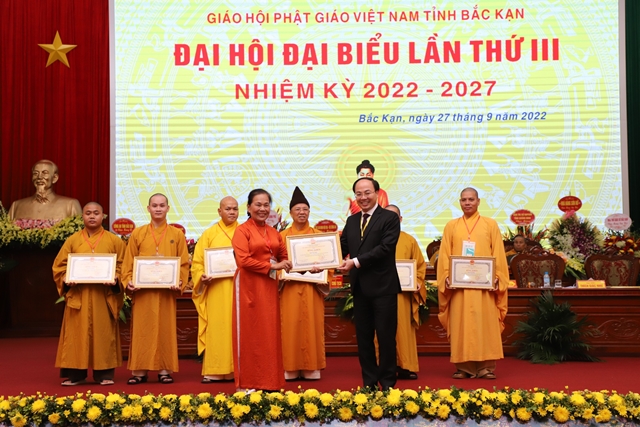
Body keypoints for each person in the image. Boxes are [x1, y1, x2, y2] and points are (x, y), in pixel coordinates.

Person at [436, 187, 508, 379]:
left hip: (484, 287)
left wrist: (497, 277)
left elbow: (498, 253)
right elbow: (444, 255)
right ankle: (463, 367)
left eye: (471, 199)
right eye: (464, 200)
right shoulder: (451, 226)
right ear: (460, 202)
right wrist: (447, 277)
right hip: (459, 288)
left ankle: (486, 367)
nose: (467, 203)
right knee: (462, 325)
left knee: (485, 325)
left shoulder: (490, 224)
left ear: (478, 201)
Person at [52, 202, 126, 386]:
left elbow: (123, 265)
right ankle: (76, 375)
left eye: (96, 213)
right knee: (76, 335)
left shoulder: (114, 241)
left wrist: (116, 278)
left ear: (103, 216)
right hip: (80, 296)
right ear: (82, 216)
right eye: (88, 213)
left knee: (103, 334)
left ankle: (104, 374)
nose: (92, 216)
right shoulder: (72, 240)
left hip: (103, 296)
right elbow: (59, 266)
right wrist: (66, 279)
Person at [338, 177, 401, 390]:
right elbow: (341, 247)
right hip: (360, 289)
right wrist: (320, 260)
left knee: (385, 338)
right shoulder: (352, 221)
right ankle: (369, 384)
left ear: (377, 193)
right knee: (364, 339)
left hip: (384, 288)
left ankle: (388, 384)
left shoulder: (389, 218)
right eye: (359, 194)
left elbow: (385, 248)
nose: (363, 197)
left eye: (367, 193)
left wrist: (355, 262)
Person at [121, 193, 190, 385]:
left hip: (166, 292)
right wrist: (128, 281)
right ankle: (139, 371)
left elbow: (184, 263)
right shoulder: (138, 233)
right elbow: (128, 262)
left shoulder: (177, 235)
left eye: (161, 205)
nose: (158, 209)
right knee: (142, 329)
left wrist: (179, 281)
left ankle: (164, 370)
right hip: (143, 292)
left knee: (165, 329)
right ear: (148, 208)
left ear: (168, 208)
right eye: (154, 205)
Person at [231, 189, 292, 391]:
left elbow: (284, 256)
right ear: (248, 207)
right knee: (249, 333)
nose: (262, 209)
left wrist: (306, 264)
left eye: (266, 205)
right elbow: (243, 261)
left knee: (269, 332)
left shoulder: (273, 232)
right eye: (258, 204)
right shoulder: (242, 231)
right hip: (248, 286)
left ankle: (270, 381)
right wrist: (272, 266)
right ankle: (247, 382)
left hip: (268, 285)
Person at [279, 187, 327, 380]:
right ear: (291, 213)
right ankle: (289, 366)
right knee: (289, 326)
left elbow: (328, 263)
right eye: (297, 209)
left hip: (312, 288)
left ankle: (312, 367)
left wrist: (322, 270)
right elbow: (273, 262)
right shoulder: (281, 237)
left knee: (312, 325)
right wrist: (282, 272)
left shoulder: (319, 236)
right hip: (288, 290)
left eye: (305, 209)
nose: (302, 212)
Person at [191, 196, 239, 383]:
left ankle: (237, 371)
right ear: (219, 211)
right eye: (228, 209)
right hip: (216, 290)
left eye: (235, 209)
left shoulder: (244, 232)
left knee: (238, 329)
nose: (232, 212)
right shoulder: (209, 234)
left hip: (239, 289)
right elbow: (197, 263)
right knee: (217, 328)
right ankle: (214, 370)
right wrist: (202, 276)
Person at [385, 205, 427, 380]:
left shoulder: (409, 240)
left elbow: (419, 266)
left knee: (403, 330)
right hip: (380, 293)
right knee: (381, 331)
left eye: (394, 217)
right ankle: (382, 366)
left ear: (400, 219)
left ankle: (405, 366)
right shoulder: (373, 239)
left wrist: (417, 281)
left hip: (402, 294)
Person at [8, 159, 81, 220]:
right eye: (35, 173)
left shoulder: (70, 205)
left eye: (45, 173)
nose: (39, 177)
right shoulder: (16, 206)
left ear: (54, 178)